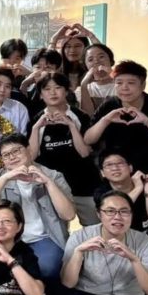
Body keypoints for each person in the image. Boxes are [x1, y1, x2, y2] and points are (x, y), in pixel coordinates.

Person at [84, 60, 148, 214]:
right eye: (119, 83)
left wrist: (147, 121)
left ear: (143, 85)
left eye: (131, 83)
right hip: (119, 183)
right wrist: (106, 120)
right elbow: (88, 139)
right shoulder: (109, 106)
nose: (124, 87)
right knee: (120, 223)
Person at [0, 133, 75, 279]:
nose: (12, 157)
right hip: (9, 238)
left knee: (46, 269)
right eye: (6, 155)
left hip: (44, 237)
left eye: (16, 151)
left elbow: (69, 215)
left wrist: (48, 183)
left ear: (29, 150)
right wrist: (6, 177)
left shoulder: (52, 175)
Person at [94, 148, 148, 291]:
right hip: (117, 260)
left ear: (130, 168)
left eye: (120, 163)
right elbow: (116, 209)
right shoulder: (102, 193)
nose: (115, 167)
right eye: (109, 165)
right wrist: (138, 188)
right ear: (102, 173)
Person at [28, 73, 98, 225]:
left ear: (66, 91)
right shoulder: (36, 120)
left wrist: (71, 125)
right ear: (41, 95)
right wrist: (35, 128)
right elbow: (31, 157)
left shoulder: (80, 116)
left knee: (94, 227)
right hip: (54, 187)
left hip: (84, 184)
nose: (53, 93)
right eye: (47, 89)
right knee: (58, 232)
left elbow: (84, 152)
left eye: (58, 87)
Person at [19, 48, 64, 117]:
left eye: (48, 68)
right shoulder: (33, 90)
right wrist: (24, 84)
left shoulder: (62, 92)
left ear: (57, 70)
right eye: (38, 67)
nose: (42, 72)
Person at [76, 43, 116, 116]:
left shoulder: (122, 84)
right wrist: (83, 85)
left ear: (110, 60)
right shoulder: (82, 89)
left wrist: (114, 75)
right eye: (90, 59)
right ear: (85, 65)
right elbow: (88, 116)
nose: (96, 61)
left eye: (101, 57)